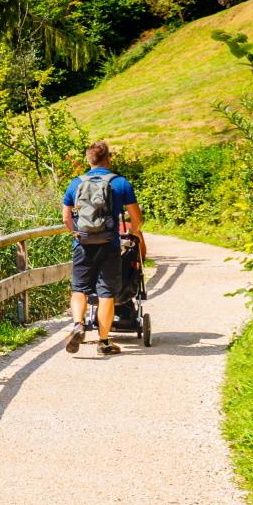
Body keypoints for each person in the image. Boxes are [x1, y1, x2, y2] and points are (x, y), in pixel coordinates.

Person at [61, 140, 142, 356]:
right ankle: (104, 342)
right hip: (109, 244)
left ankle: (79, 325)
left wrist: (75, 233)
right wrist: (133, 232)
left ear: (88, 160)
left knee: (79, 288)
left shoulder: (75, 183)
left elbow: (66, 217)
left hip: (82, 243)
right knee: (106, 292)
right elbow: (136, 218)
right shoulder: (120, 183)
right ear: (108, 159)